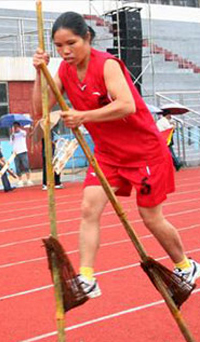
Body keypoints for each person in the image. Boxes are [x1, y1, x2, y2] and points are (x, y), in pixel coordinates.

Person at [32, 12, 199, 298]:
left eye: (71, 43)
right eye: (59, 46)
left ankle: (186, 265)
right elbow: (41, 108)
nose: (65, 51)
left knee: (150, 216)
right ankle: (86, 278)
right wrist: (39, 72)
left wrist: (83, 115)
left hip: (144, 151)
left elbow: (126, 106)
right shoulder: (63, 71)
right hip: (108, 155)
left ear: (87, 37)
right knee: (88, 208)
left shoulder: (107, 65)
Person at [39, 112, 63, 190]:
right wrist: (53, 142)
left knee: (55, 165)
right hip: (49, 151)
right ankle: (50, 183)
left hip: (51, 151)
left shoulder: (50, 131)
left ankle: (55, 182)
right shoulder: (45, 131)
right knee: (51, 166)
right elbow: (48, 141)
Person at [10, 121, 34, 187]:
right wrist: (12, 136)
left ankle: (28, 179)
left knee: (26, 165)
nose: (15, 128)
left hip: (23, 151)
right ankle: (20, 180)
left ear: (19, 126)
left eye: (16, 126)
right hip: (15, 152)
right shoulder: (12, 135)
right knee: (17, 167)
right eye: (14, 127)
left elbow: (25, 135)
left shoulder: (23, 132)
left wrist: (19, 130)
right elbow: (11, 143)